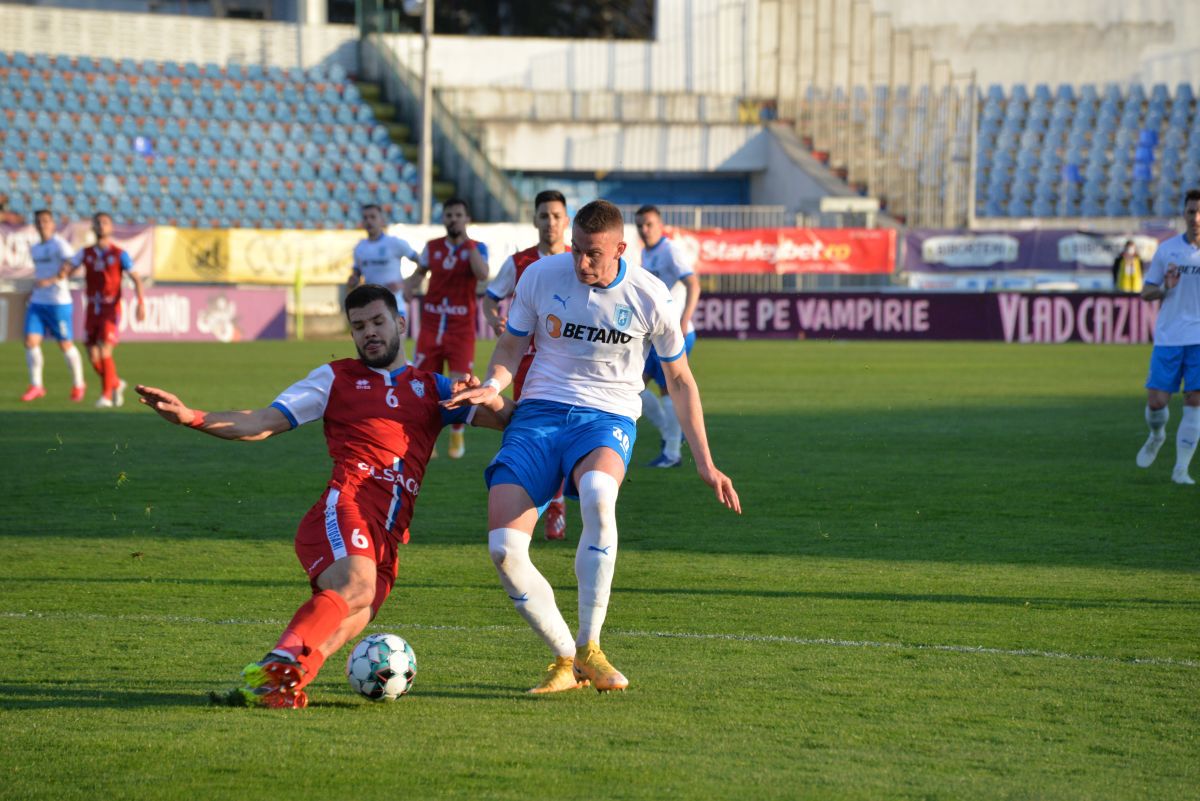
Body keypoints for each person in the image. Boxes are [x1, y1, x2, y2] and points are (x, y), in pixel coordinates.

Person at [137, 284, 513, 708]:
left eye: (377, 322)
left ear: (400, 323)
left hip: (390, 534)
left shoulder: (435, 388)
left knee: (354, 615)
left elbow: (509, 421)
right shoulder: (336, 378)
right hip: (346, 506)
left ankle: (276, 687)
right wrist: (192, 417)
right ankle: (275, 662)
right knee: (356, 584)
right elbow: (262, 422)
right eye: (358, 326)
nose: (368, 332)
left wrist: (490, 394)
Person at [445, 200, 740, 695]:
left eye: (594, 255)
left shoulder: (651, 296)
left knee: (601, 495)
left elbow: (682, 381)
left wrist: (706, 463)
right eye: (577, 251)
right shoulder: (541, 275)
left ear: (621, 249)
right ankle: (566, 657)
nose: (581, 264)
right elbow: (511, 347)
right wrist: (495, 383)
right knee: (503, 550)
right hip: (538, 413)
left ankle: (592, 644)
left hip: (607, 416)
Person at [482, 189, 572, 540]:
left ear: (566, 221)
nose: (550, 222)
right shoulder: (518, 263)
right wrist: (495, 321)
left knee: (561, 433)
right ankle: (531, 501)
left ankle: (557, 503)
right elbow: (491, 299)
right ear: (535, 220)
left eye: (555, 216)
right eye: (543, 216)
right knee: (523, 432)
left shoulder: (578, 262)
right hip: (523, 363)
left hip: (563, 365)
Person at [404, 197, 490, 459]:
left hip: (460, 329)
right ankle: (428, 437)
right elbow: (420, 272)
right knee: (425, 383)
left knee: (457, 384)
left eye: (458, 215)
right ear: (444, 219)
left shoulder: (477, 247)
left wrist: (467, 242)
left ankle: (456, 431)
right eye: (449, 215)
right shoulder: (432, 248)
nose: (453, 219)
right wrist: (409, 287)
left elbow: (483, 274)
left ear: (466, 219)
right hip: (431, 325)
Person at [1136, 188, 1200, 485]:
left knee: (1194, 400)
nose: (1196, 218)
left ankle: (1181, 470)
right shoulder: (1167, 250)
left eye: (1199, 212)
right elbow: (1146, 291)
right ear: (1184, 214)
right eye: (1191, 212)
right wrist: (1165, 288)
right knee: (1157, 402)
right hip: (1169, 336)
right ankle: (1157, 434)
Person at [634, 204, 702, 468]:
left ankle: (672, 452)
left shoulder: (669, 250)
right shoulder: (647, 253)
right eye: (640, 224)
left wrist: (684, 318)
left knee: (668, 390)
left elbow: (693, 283)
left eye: (649, 224)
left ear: (660, 225)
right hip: (655, 334)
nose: (644, 229)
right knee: (634, 386)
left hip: (675, 334)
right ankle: (670, 433)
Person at [56, 211, 146, 408]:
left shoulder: (119, 254)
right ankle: (115, 382)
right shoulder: (85, 252)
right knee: (92, 354)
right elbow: (69, 267)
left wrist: (140, 302)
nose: (101, 225)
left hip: (110, 309)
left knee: (105, 350)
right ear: (93, 227)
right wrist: (63, 273)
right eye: (97, 222)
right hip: (92, 309)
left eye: (105, 222)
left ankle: (106, 396)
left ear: (111, 227)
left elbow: (136, 278)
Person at [21, 209, 87, 402]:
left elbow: (70, 264)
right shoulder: (35, 248)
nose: (42, 224)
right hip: (38, 302)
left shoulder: (59, 244)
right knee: (30, 342)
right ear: (35, 225)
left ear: (53, 224)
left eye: (46, 220)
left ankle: (79, 384)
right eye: (39, 221)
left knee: (65, 344)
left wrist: (51, 280)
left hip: (58, 302)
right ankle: (36, 385)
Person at [346, 203, 420, 316]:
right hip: (370, 307)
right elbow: (357, 274)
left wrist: (405, 284)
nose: (369, 221)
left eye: (373, 217)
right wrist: (353, 280)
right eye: (365, 218)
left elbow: (422, 263)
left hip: (395, 306)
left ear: (382, 220)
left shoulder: (395, 243)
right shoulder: (359, 248)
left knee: (393, 334)